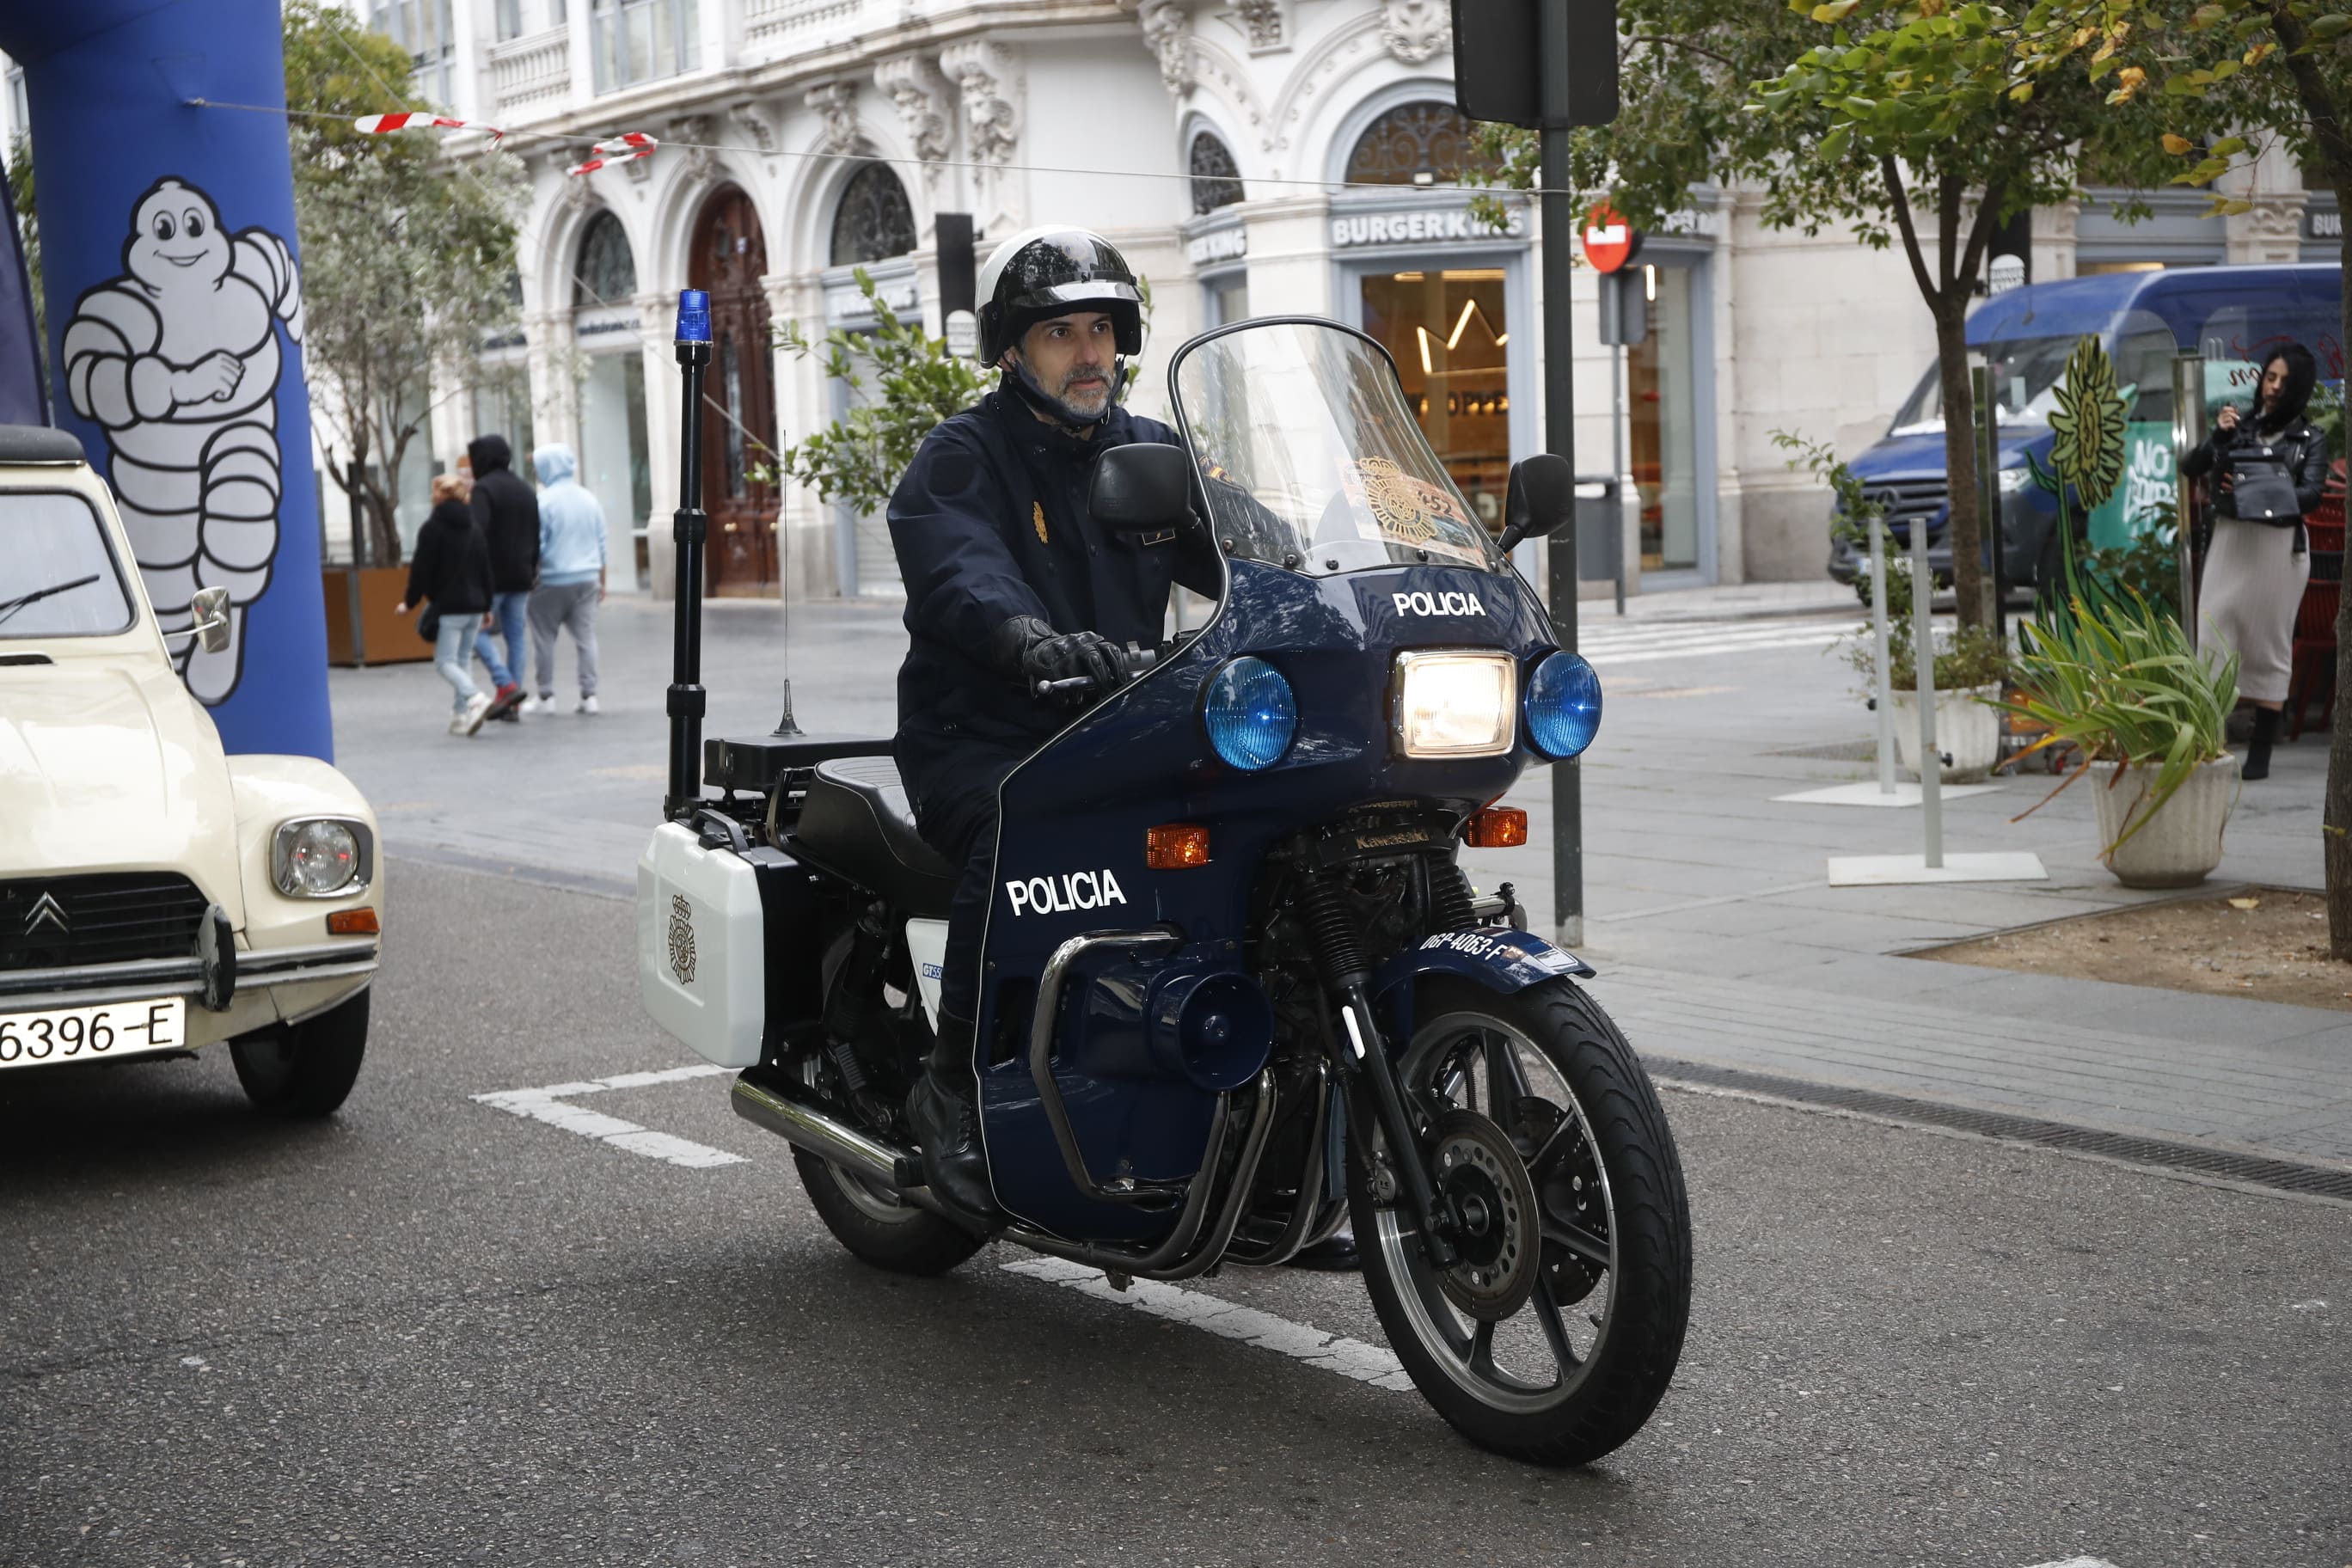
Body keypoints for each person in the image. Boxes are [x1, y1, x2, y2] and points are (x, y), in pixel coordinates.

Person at [887, 227, 1221, 1216]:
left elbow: (1249, 547)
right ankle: (952, 1087)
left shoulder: (1150, 453)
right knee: (1024, 830)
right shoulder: (959, 460)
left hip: (1120, 733)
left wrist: (1334, 575)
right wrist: (1028, 639)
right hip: (983, 738)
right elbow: (961, 572)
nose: (1089, 354)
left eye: (1104, 331)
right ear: (1011, 351)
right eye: (1061, 333)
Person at [2180, 343, 2324, 781]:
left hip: (2278, 550)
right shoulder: (2238, 424)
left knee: (2268, 645)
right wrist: (2219, 438)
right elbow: (2191, 466)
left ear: (2297, 387)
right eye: (2270, 377)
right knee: (2211, 634)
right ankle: (2206, 738)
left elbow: (2312, 495)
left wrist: (2264, 492)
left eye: (2283, 380)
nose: (2273, 387)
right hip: (2231, 541)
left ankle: (2261, 748)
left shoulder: (2310, 438)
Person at [395, 473, 495, 737]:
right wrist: (486, 606)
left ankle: (474, 698)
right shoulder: (474, 527)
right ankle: (459, 717)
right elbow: (485, 569)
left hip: (450, 606)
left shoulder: (432, 529)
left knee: (444, 662)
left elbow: (421, 570)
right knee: (462, 660)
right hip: (475, 606)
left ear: (436, 496)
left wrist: (410, 602)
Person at [523, 444, 606, 715]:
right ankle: (589, 695)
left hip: (552, 578)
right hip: (587, 578)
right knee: (586, 637)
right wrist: (601, 578)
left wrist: (532, 574)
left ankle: (546, 696)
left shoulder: (543, 502)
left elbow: (537, 543)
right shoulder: (589, 498)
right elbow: (601, 542)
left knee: (544, 638)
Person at [467, 433, 539, 721]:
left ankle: (505, 684)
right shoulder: (525, 489)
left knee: (474, 631)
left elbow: (476, 534)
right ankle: (513, 702)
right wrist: (532, 568)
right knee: (516, 638)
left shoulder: (484, 490)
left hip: (492, 578)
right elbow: (535, 534)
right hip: (522, 576)